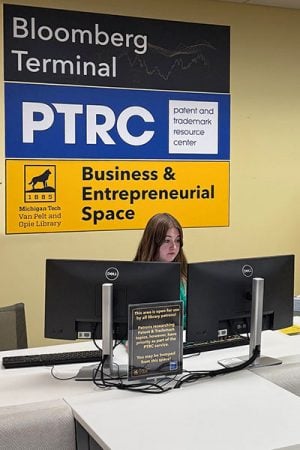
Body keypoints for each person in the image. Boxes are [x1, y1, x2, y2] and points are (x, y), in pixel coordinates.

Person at [134, 212, 188, 326]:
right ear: (153, 243)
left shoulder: (184, 274)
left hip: (181, 338)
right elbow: (125, 323)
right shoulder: (136, 277)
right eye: (167, 240)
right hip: (151, 339)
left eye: (177, 240)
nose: (173, 246)